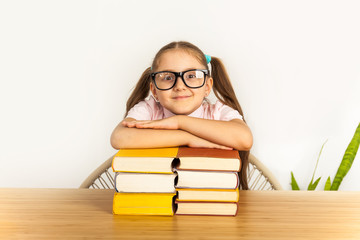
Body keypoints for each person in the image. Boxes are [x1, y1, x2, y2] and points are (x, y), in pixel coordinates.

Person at [111, 41, 253, 189]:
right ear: (154, 91)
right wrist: (187, 138)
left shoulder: (217, 112)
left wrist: (180, 122)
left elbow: (244, 139)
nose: (180, 86)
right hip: (156, 199)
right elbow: (119, 137)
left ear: (207, 86)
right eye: (167, 77)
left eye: (191, 76)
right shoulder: (150, 110)